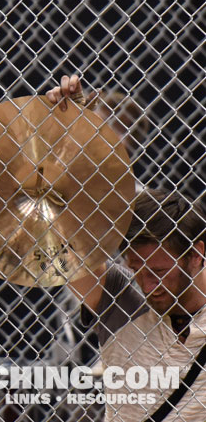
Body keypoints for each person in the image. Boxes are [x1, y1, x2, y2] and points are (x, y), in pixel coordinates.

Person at [48, 77, 206, 421]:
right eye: (137, 269)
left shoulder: (150, 207)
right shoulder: (124, 295)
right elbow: (62, 247)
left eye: (159, 272)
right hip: (103, 345)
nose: (148, 284)